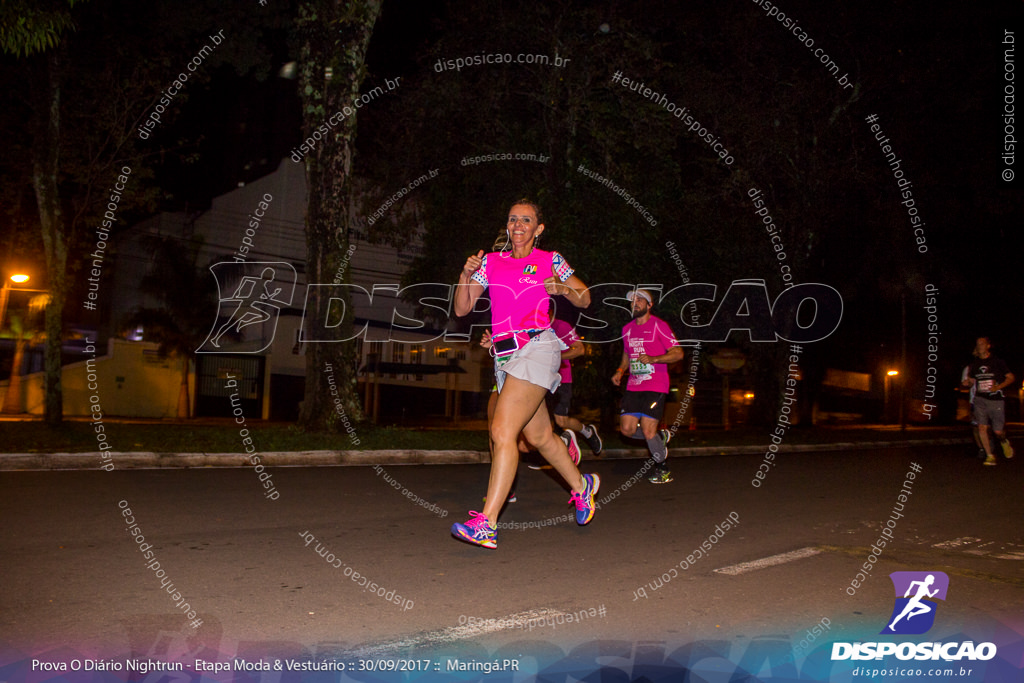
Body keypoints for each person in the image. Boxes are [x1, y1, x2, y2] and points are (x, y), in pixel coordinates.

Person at [451, 199, 599, 548]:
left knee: (502, 429)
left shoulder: (550, 260)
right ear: (507, 225)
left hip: (537, 347)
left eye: (526, 220)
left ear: (538, 228)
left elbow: (585, 298)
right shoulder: (491, 262)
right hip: (504, 359)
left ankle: (487, 523)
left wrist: (561, 288)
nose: (518, 225)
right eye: (513, 219)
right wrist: (465, 274)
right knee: (540, 438)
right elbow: (462, 308)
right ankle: (582, 487)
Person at [611, 289, 683, 484]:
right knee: (626, 429)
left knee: (648, 431)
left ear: (649, 305)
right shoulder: (626, 329)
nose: (635, 303)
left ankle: (663, 468)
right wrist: (620, 370)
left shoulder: (659, 326)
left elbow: (678, 353)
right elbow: (627, 353)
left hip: (656, 385)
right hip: (634, 385)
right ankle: (660, 438)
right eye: (633, 301)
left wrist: (654, 358)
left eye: (640, 300)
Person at [549, 314, 603, 455]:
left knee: (561, 421)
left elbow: (579, 349)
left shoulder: (561, 326)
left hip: (562, 380)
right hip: (542, 381)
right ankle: (545, 455)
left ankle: (587, 431)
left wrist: (556, 357)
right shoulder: (536, 328)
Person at [961, 336, 1015, 466]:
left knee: (997, 431)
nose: (979, 346)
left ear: (988, 346)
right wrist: (967, 383)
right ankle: (990, 455)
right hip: (980, 399)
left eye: (982, 343)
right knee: (981, 427)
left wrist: (998, 387)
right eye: (977, 344)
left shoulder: (997, 362)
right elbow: (972, 381)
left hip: (996, 400)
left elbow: (1011, 377)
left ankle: (1003, 441)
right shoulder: (974, 364)